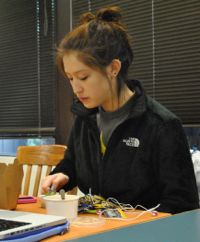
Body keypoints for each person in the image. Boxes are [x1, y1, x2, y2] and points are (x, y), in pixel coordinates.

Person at [41, 6, 199, 214]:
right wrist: (63, 174)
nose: (75, 88)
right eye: (70, 78)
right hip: (100, 227)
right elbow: (72, 162)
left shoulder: (161, 125)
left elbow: (183, 205)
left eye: (83, 77)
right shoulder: (85, 117)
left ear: (113, 68)